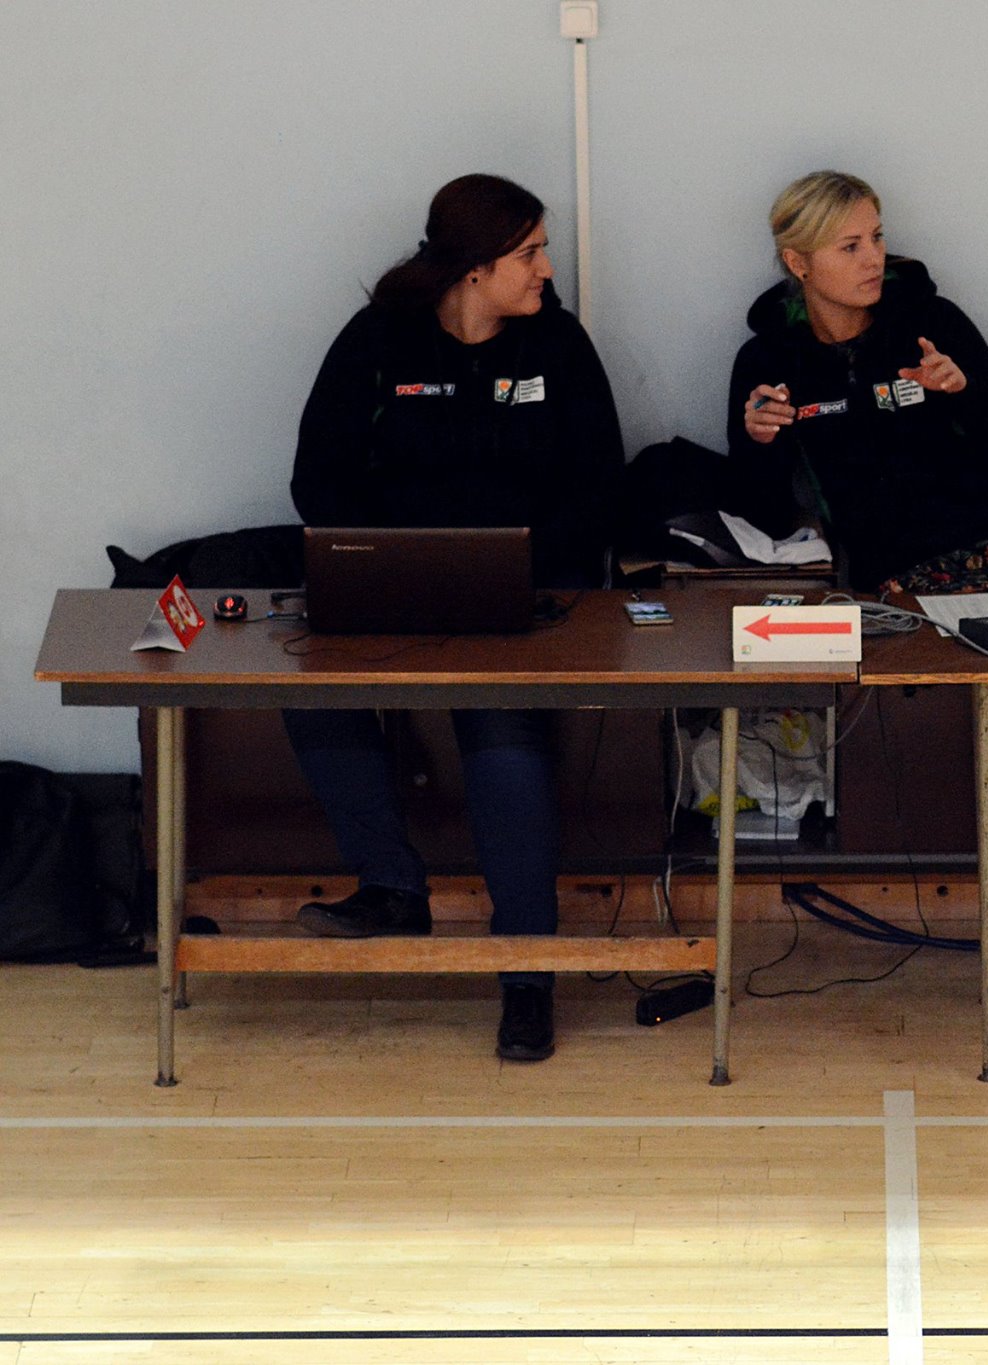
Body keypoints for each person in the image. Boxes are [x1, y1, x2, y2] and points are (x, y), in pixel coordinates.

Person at [286, 173, 625, 1063]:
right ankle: (392, 885)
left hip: (523, 596)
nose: (547, 268)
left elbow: (600, 483)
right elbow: (317, 477)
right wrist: (378, 557)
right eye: (530, 253)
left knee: (501, 727)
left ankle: (527, 977)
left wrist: (523, 567)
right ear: (475, 268)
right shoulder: (376, 340)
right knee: (308, 689)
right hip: (387, 588)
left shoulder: (557, 345)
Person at [728, 170, 988, 951]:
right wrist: (757, 441)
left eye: (876, 237)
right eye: (849, 245)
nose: (873, 257)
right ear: (799, 262)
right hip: (892, 574)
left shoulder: (930, 323)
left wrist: (960, 391)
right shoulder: (769, 359)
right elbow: (764, 514)